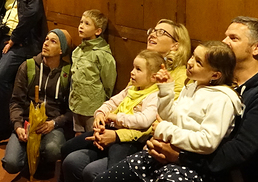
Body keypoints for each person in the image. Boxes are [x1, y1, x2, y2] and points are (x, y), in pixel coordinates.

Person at [146, 16, 258, 182]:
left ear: (257, 48)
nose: (224, 42)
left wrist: (180, 156)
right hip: (199, 160)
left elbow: (240, 151)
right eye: (225, 36)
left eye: (233, 38)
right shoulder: (219, 82)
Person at [59, 18, 192, 182]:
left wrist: (116, 135)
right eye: (153, 30)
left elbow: (155, 119)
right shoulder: (143, 64)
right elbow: (123, 100)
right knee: (70, 159)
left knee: (92, 172)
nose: (152, 34)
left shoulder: (180, 76)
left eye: (161, 32)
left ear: (175, 45)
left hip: (138, 139)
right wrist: (103, 120)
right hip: (115, 127)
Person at [92, 41, 244, 182]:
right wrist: (165, 90)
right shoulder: (192, 86)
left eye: (198, 62)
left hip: (189, 164)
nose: (190, 63)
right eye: (192, 57)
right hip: (162, 153)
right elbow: (167, 116)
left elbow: (207, 142)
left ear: (215, 75)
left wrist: (164, 129)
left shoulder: (222, 99)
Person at [62, 49, 165, 182]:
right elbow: (112, 102)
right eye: (133, 68)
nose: (132, 72)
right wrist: (100, 114)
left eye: (138, 69)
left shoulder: (155, 96)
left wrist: (117, 118)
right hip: (110, 130)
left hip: (127, 141)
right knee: (67, 147)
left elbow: (144, 121)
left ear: (153, 77)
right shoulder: (131, 89)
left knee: (111, 176)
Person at [1, 29, 73, 178]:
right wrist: (18, 126)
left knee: (53, 150)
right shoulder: (28, 67)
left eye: (53, 41)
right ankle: (28, 158)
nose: (46, 43)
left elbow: (72, 110)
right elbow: (15, 101)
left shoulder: (68, 73)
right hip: (26, 123)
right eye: (46, 39)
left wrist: (54, 123)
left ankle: (41, 160)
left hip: (51, 125)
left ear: (62, 50)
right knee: (11, 163)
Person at [0, 0, 47, 141]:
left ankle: (5, 127)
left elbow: (33, 13)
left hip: (24, 42)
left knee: (1, 77)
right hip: (4, 38)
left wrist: (14, 38)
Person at [69, 9, 116, 136]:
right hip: (76, 105)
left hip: (93, 108)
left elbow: (108, 83)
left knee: (92, 137)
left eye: (87, 24)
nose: (81, 26)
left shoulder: (102, 54)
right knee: (78, 137)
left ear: (98, 31)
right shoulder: (77, 51)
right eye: (81, 22)